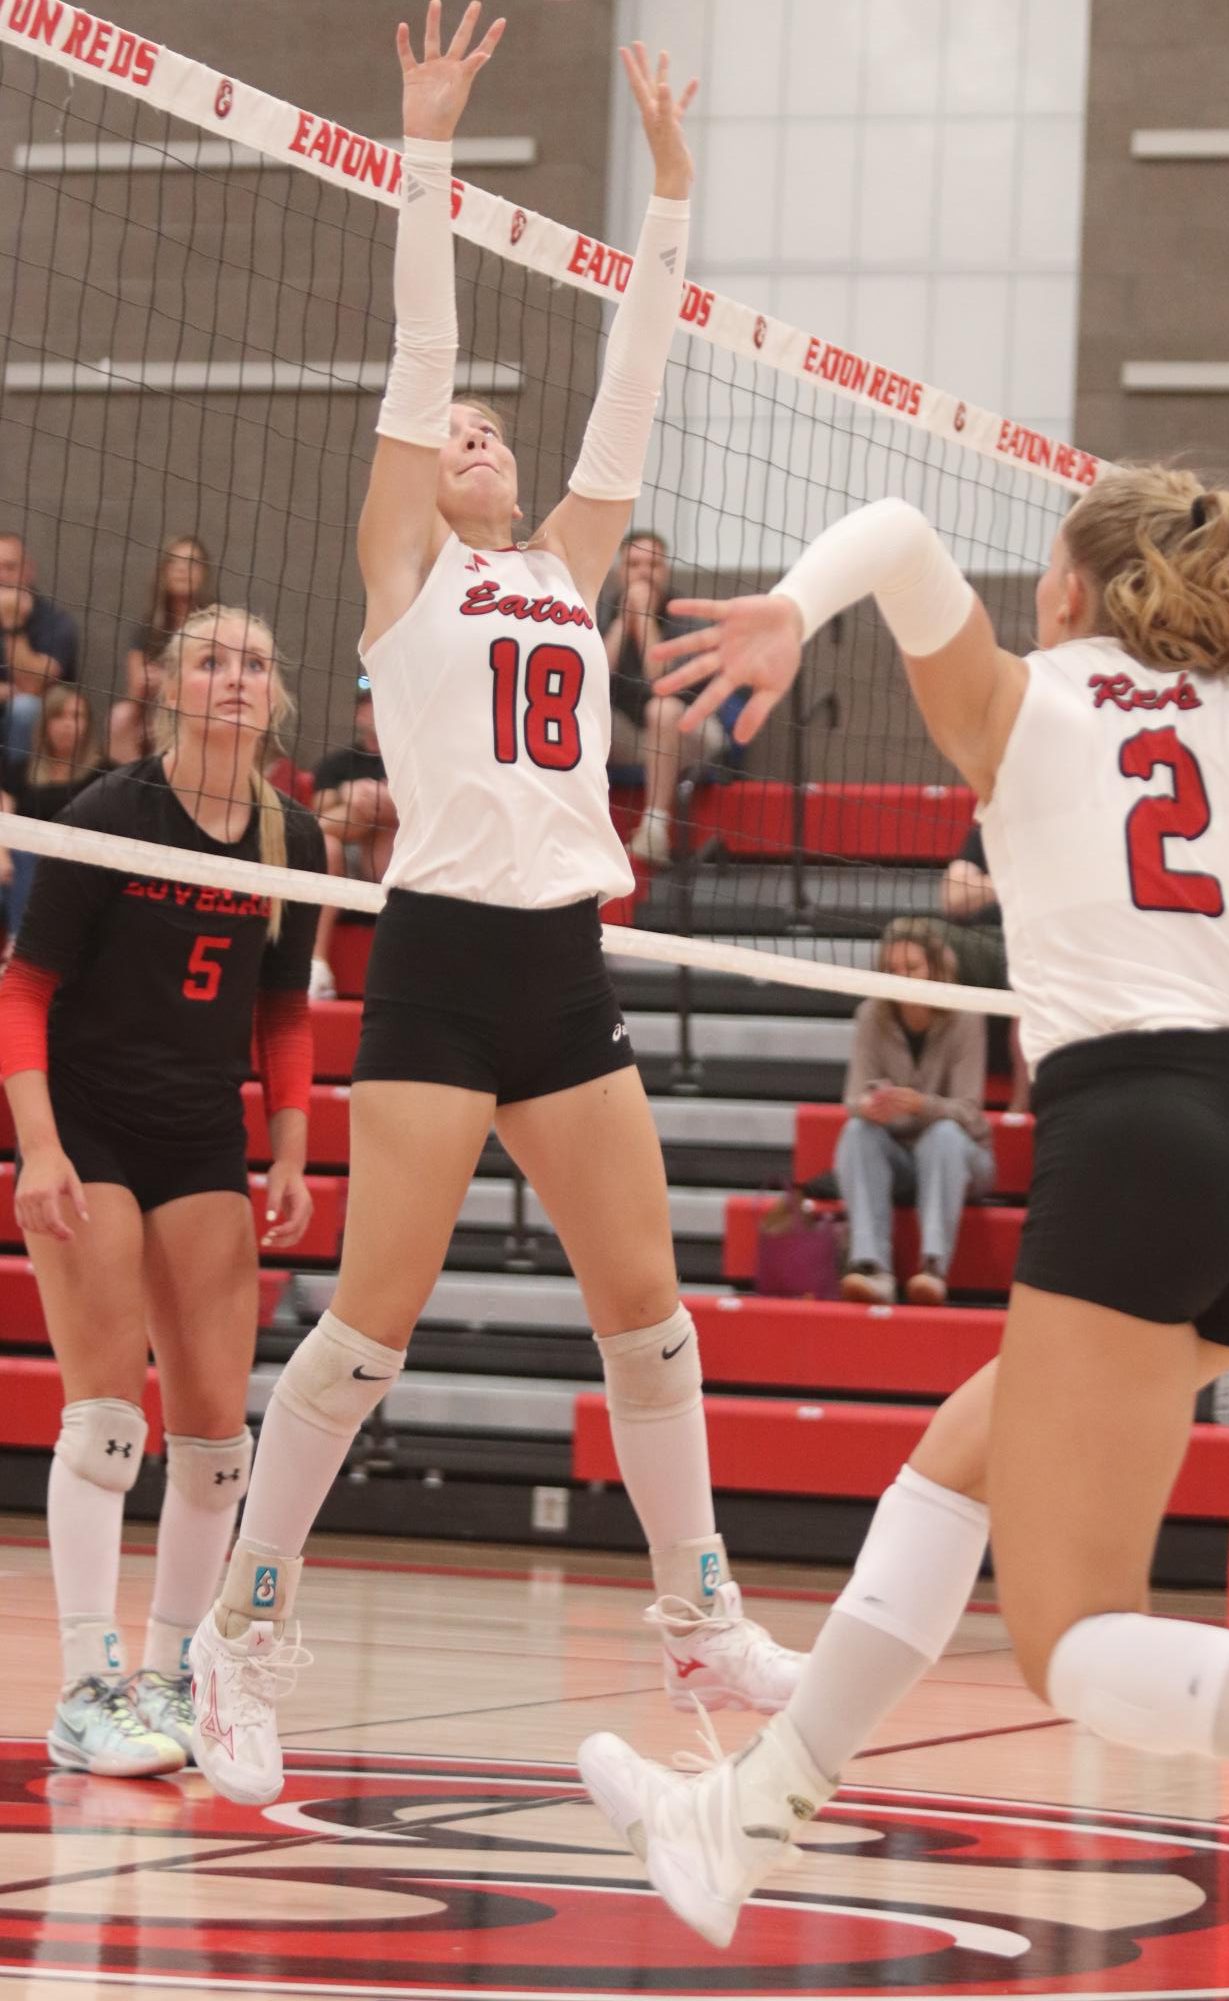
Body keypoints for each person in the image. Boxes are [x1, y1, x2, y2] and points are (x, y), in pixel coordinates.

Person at [577, 465, 1229, 1950]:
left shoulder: (1014, 703)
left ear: (1062, 589)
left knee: (1071, 1645)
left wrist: (793, 609)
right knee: (954, 1455)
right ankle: (749, 1816)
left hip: (1140, 1151)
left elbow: (907, 540)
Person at [188, 1, 800, 1812]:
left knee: (651, 1310)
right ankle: (243, 1635)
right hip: (444, 956)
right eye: (443, 436)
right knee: (370, 1326)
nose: (464, 433)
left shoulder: (554, 556)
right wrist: (428, 147)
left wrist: (671, 200)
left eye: (479, 433)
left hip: (561, 957)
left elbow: (633, 383)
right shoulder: (407, 579)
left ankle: (695, 1616)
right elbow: (415, 345)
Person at [0, 604, 323, 1776]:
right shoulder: (108, 816)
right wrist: (38, 1145)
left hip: (199, 1131)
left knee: (214, 1443)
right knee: (104, 1423)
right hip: (86, 1118)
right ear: (172, 687)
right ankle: (85, 1692)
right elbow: (23, 990)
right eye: (209, 660)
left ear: (272, 692)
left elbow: (281, 1006)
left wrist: (288, 1144)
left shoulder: (293, 838)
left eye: (251, 661)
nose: (233, 678)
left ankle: (175, 1676)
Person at [838, 917, 993, 1307]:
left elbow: (971, 1113)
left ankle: (933, 1268)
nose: (901, 978)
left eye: (911, 968)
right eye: (892, 970)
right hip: (897, 1154)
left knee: (943, 1135)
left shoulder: (966, 1013)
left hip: (963, 1155)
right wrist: (872, 1107)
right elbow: (852, 1099)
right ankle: (873, 1268)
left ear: (935, 969)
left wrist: (922, 1105)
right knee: (857, 1133)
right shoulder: (871, 1013)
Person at [603, 529, 737, 865]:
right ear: (621, 570)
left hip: (690, 733)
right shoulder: (599, 611)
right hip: (632, 737)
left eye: (653, 564)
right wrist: (623, 623)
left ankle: (654, 830)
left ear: (666, 570)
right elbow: (590, 681)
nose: (644, 573)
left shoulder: (686, 618)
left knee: (662, 709)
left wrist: (645, 620)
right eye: (634, 564)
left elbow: (665, 684)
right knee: (579, 712)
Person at [307, 682, 396, 999]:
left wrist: (377, 806)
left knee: (390, 824)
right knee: (324, 843)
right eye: (368, 703)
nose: (375, 709)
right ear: (359, 713)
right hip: (343, 859)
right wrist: (355, 797)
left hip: (387, 858)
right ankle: (315, 963)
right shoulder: (336, 764)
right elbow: (318, 815)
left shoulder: (406, 759)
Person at [0, 685, 105, 948]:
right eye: (59, 716)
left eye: (77, 716)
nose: (69, 724)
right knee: (20, 855)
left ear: (89, 724)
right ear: (45, 723)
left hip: (75, 867)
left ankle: (19, 945)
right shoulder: (21, 769)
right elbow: (4, 812)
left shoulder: (105, 774)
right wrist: (1, 854)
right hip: (19, 870)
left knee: (32, 855)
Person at [937, 820, 1029, 1110]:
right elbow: (953, 897)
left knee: (1025, 965)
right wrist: (1022, 879)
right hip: (982, 941)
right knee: (907, 940)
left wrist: (987, 884)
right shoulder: (995, 820)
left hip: (1036, 942)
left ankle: (1022, 1105)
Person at [107, 535, 213, 768]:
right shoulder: (149, 628)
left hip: (201, 711)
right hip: (153, 713)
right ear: (164, 571)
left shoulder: (216, 626)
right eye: (174, 562)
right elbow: (137, 688)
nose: (182, 570)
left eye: (191, 562)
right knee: (121, 717)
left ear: (204, 573)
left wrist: (166, 680)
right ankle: (132, 787)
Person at [0, 531, 80, 759]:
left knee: (25, 708)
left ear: (28, 571)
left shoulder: (55, 621)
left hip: (30, 716)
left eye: (10, 567)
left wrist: (12, 624)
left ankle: (17, 793)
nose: (1, 576)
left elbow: (33, 687)